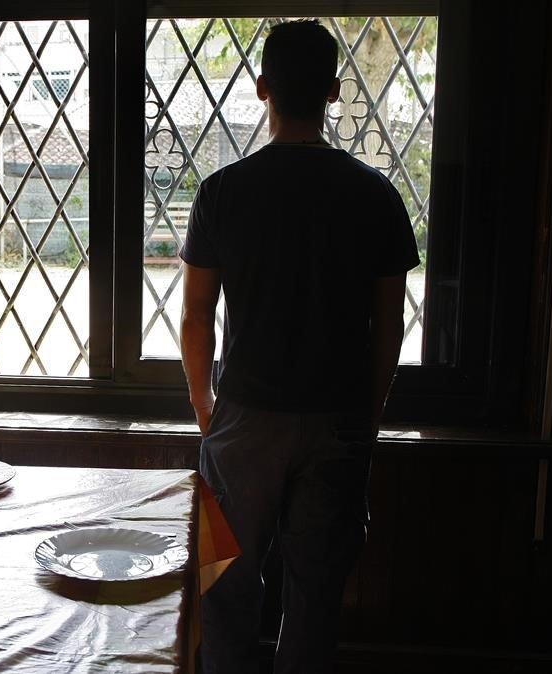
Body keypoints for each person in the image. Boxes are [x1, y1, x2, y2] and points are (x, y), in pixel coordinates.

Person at [178, 19, 419, 674]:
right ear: (334, 92)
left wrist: (206, 409)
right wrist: (366, 417)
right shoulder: (376, 195)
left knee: (224, 582)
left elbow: (197, 317)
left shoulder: (221, 193)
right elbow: (388, 330)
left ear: (262, 89)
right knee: (315, 594)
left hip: (246, 417)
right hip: (337, 416)